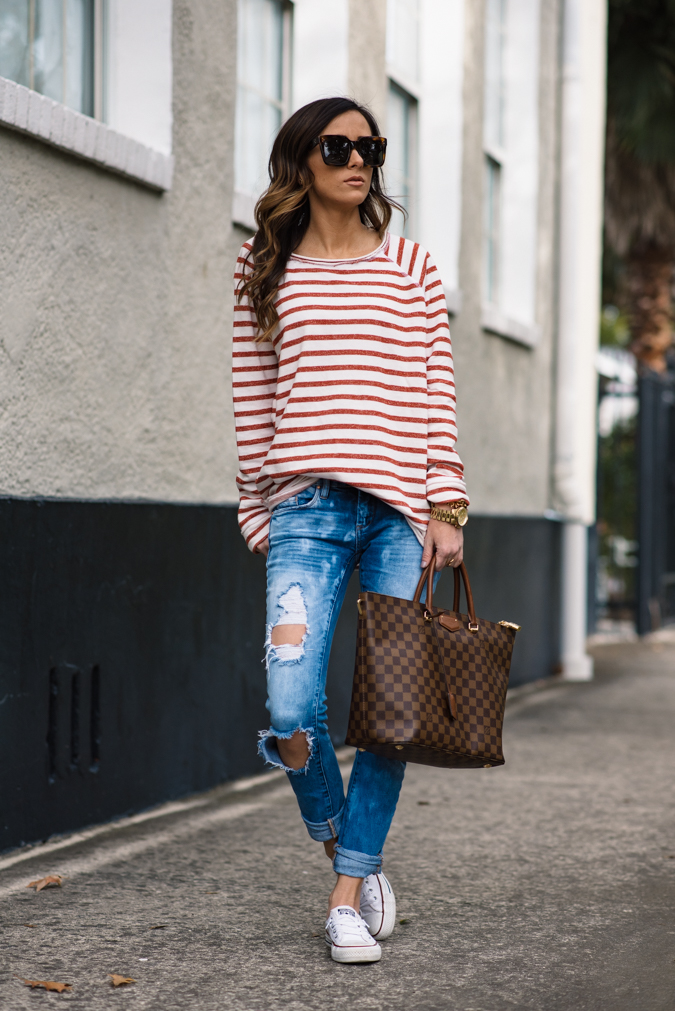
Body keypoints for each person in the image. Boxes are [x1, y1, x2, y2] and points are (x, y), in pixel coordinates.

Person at [232, 97, 468, 963]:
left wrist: (446, 505)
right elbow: (251, 394)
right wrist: (256, 504)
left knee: (390, 713)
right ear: (302, 159)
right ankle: (347, 845)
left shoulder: (409, 266)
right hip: (305, 509)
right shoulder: (262, 267)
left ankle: (344, 897)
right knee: (291, 704)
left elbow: (434, 395)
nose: (358, 159)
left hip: (400, 513)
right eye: (339, 146)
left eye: (369, 146)